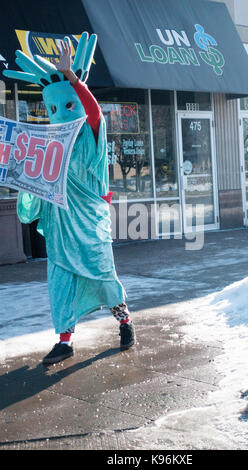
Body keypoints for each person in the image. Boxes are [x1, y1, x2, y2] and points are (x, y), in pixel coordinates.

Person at [3, 33, 135, 364]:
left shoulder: (90, 141)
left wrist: (74, 79)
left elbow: (95, 116)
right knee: (60, 284)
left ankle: (124, 322)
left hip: (90, 230)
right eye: (52, 108)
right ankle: (64, 340)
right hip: (61, 230)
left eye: (66, 105)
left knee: (105, 278)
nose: (58, 113)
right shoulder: (49, 147)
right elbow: (33, 179)